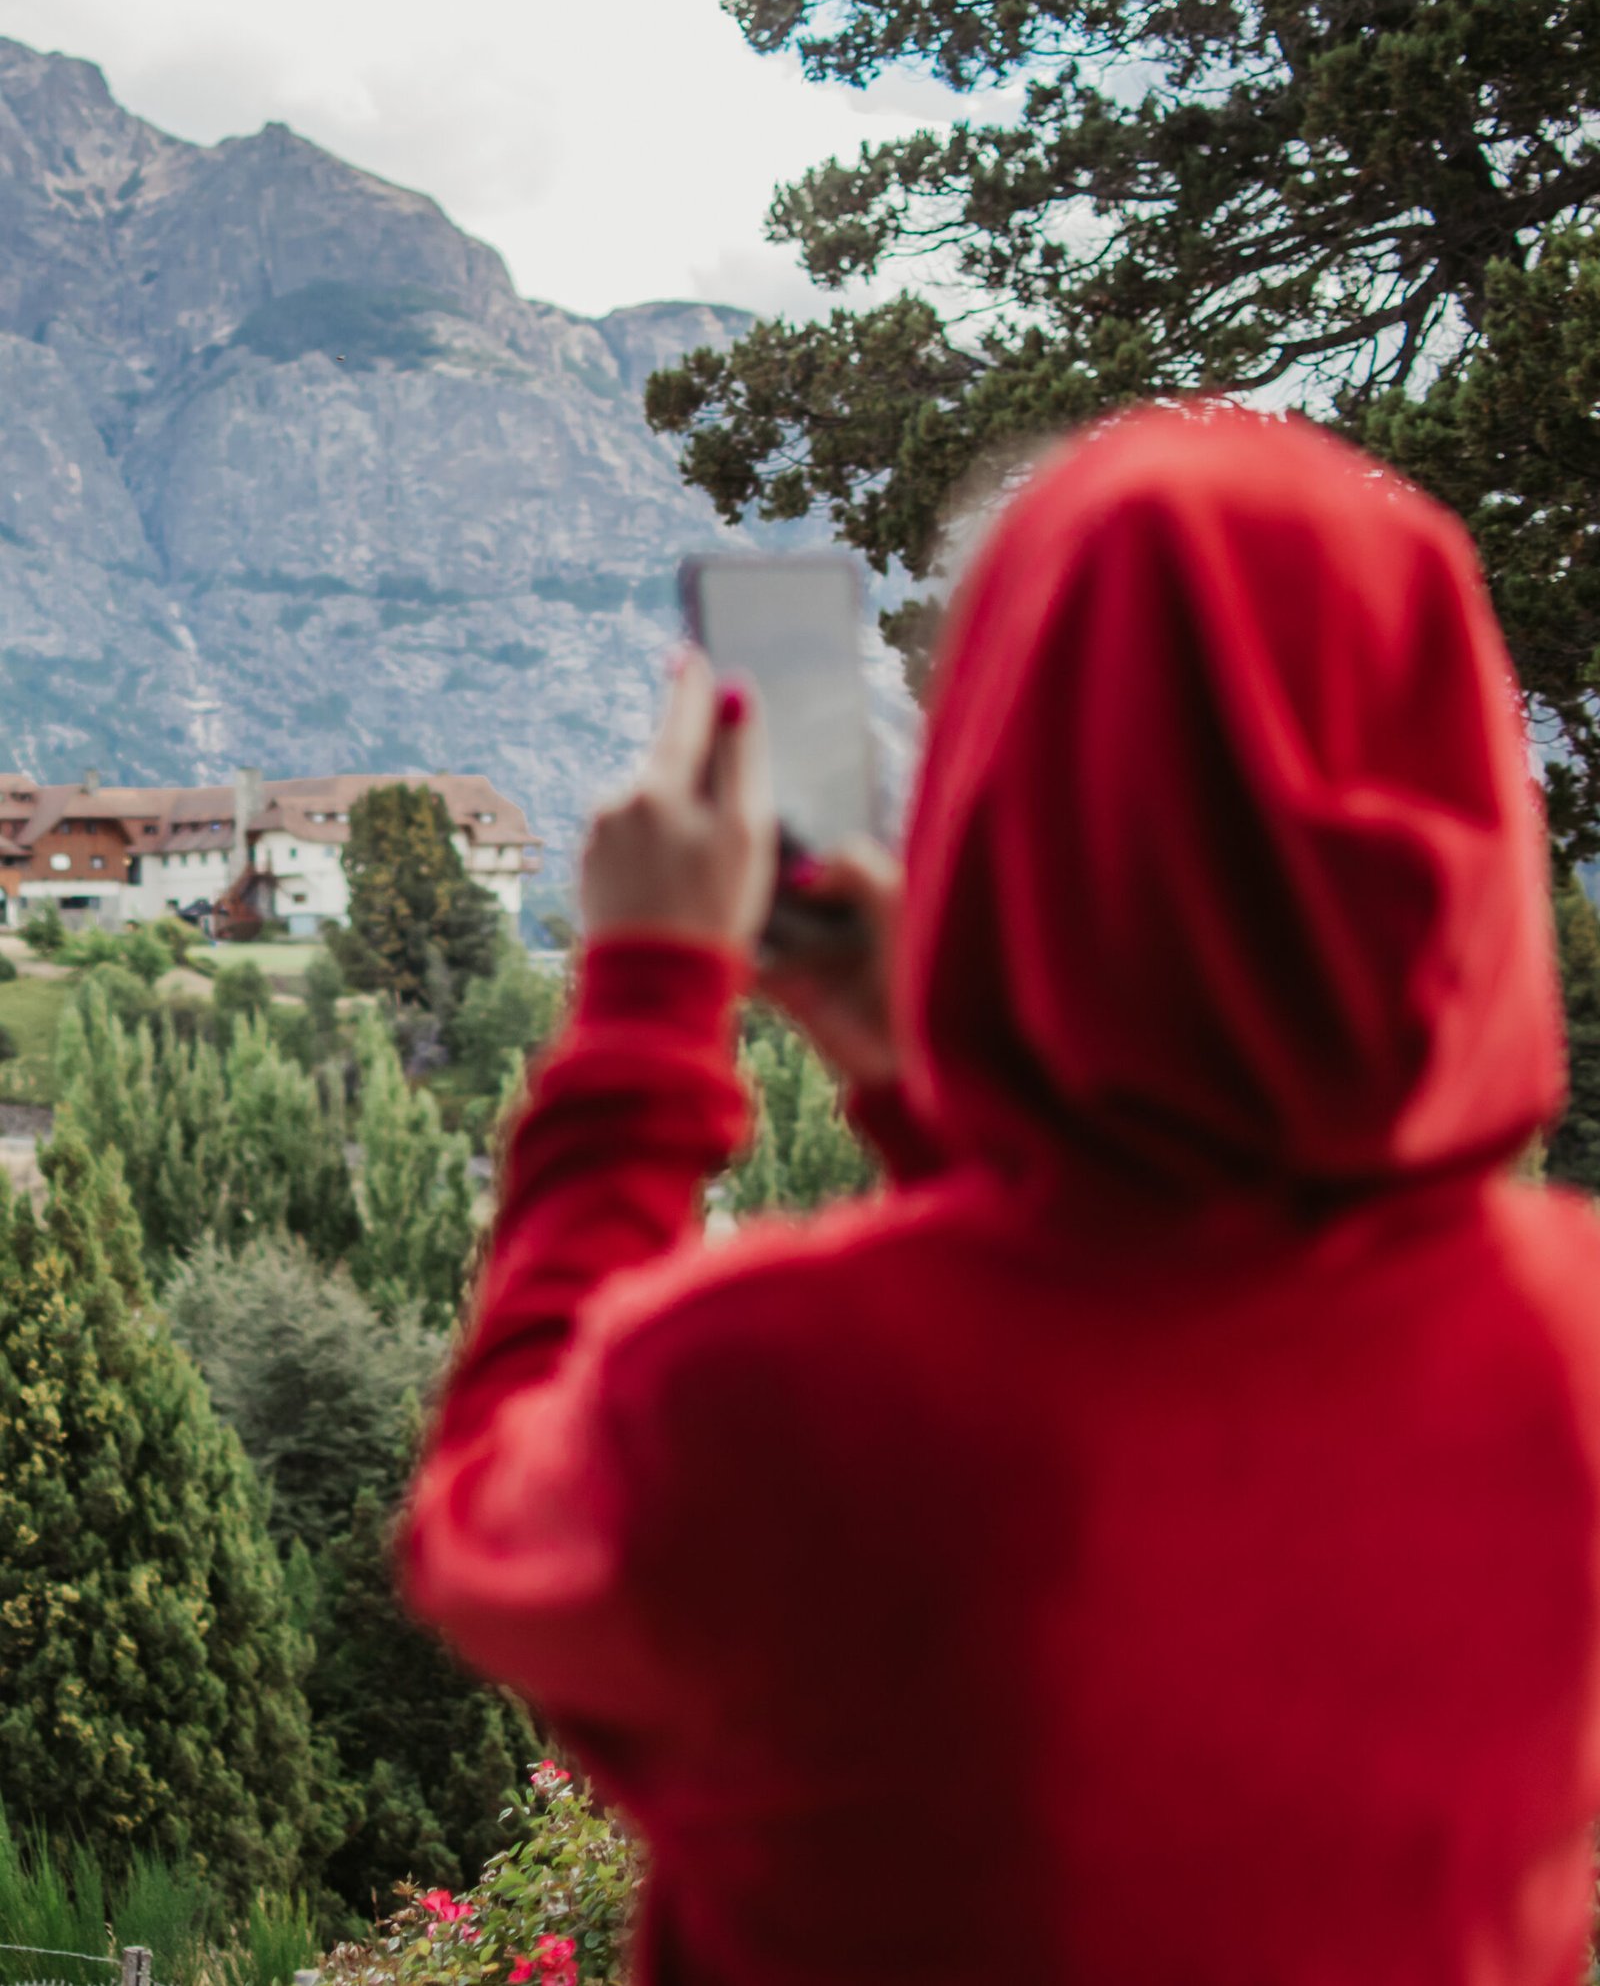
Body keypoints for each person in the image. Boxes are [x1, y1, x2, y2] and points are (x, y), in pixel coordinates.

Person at [399, 403, 1600, 1985]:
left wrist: (642, 1010)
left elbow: (488, 1530)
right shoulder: (1565, 1345)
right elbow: (1142, 1333)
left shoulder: (782, 1385)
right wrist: (948, 1085)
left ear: (1006, 777)